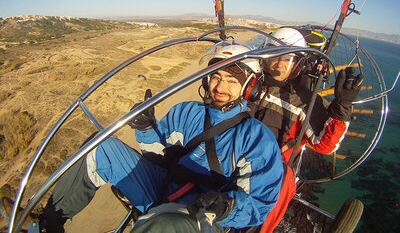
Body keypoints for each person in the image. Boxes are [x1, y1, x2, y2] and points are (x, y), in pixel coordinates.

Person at [3, 41, 283, 233]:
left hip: (203, 218)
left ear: (248, 87)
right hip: (162, 189)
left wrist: (228, 206)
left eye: (232, 80)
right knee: (99, 146)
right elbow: (156, 155)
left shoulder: (257, 139)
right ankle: (50, 221)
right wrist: (145, 127)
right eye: (216, 76)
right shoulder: (187, 112)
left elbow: (260, 206)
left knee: (163, 227)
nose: (220, 86)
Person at [248, 27, 363, 232]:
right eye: (274, 56)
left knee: (282, 184)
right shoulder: (251, 82)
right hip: (237, 152)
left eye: (287, 59)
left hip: (274, 168)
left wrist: (342, 106)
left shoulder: (303, 101)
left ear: (297, 64)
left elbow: (325, 144)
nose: (278, 64)